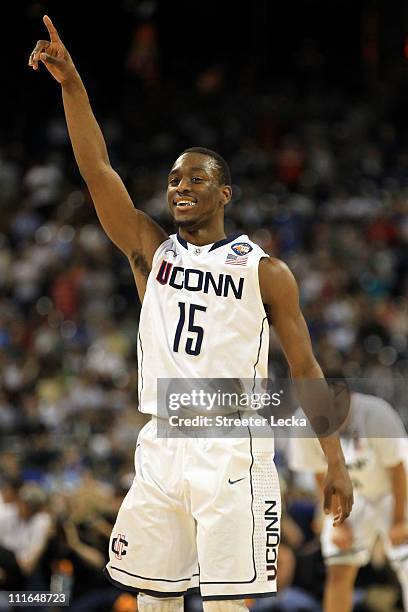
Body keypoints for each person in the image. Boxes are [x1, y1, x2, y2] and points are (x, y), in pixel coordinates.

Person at [28, 15, 353, 612]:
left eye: (195, 178)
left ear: (223, 193)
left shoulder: (265, 272)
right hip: (162, 440)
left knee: (229, 604)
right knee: (152, 602)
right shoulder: (151, 251)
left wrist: (333, 461)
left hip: (232, 445)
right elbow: (97, 171)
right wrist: (72, 84)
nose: (179, 187)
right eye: (173, 178)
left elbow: (306, 368)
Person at [289, 378, 408, 612]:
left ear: (348, 397)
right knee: (339, 567)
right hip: (349, 497)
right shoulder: (304, 422)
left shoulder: (376, 413)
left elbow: (398, 470)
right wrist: (338, 523)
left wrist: (399, 521)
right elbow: (319, 475)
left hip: (392, 493)